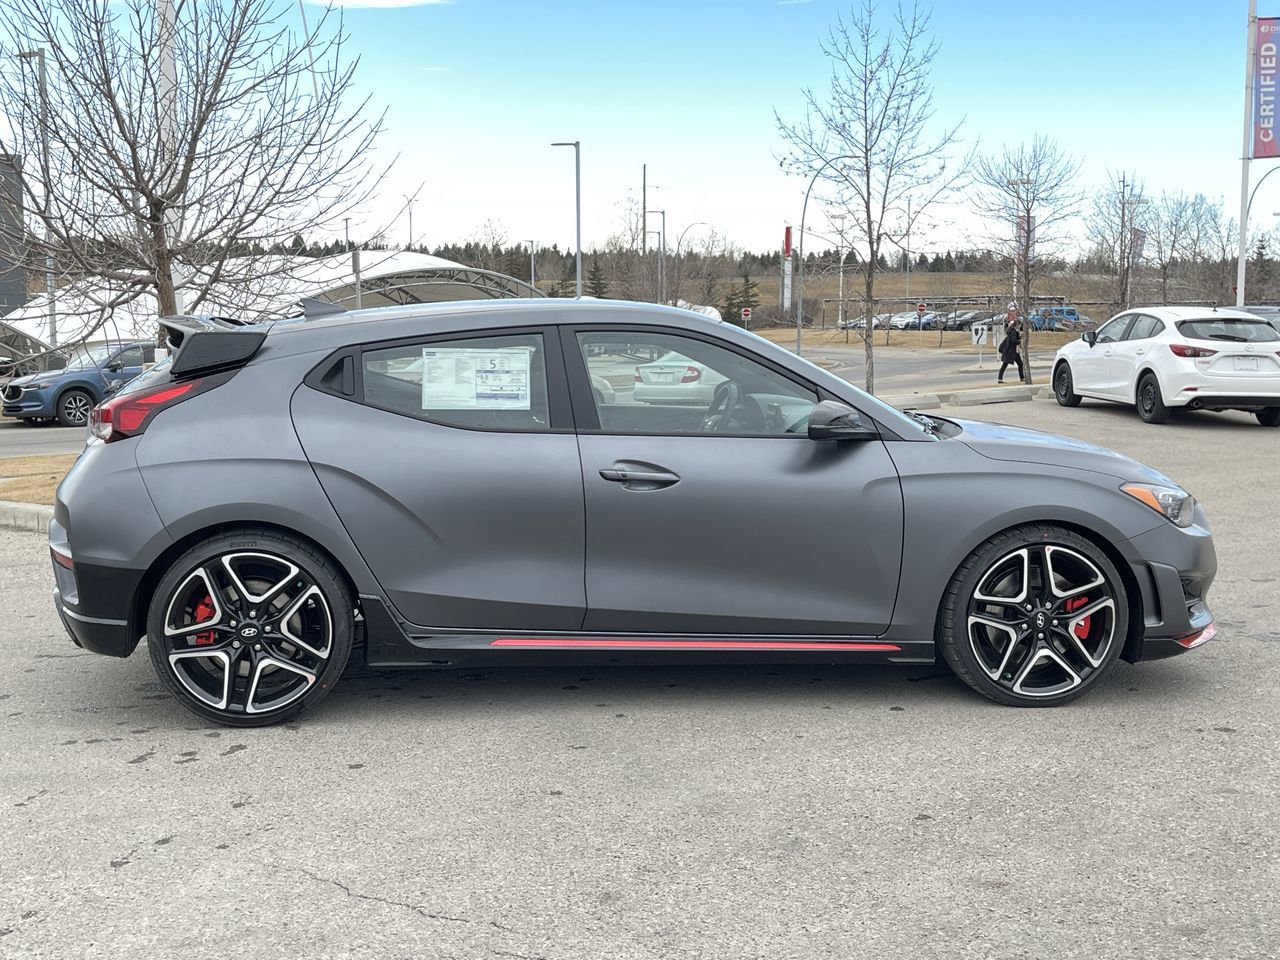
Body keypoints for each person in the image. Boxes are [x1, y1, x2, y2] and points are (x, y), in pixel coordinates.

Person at [998, 317, 1025, 383]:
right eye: (1020, 325)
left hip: (1012, 351)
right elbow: (1013, 341)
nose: (1020, 326)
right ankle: (1000, 379)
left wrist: (1019, 336)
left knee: (1020, 364)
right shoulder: (1014, 331)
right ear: (1017, 325)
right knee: (1005, 364)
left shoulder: (1011, 330)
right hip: (1011, 351)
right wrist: (1019, 340)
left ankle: (1022, 377)